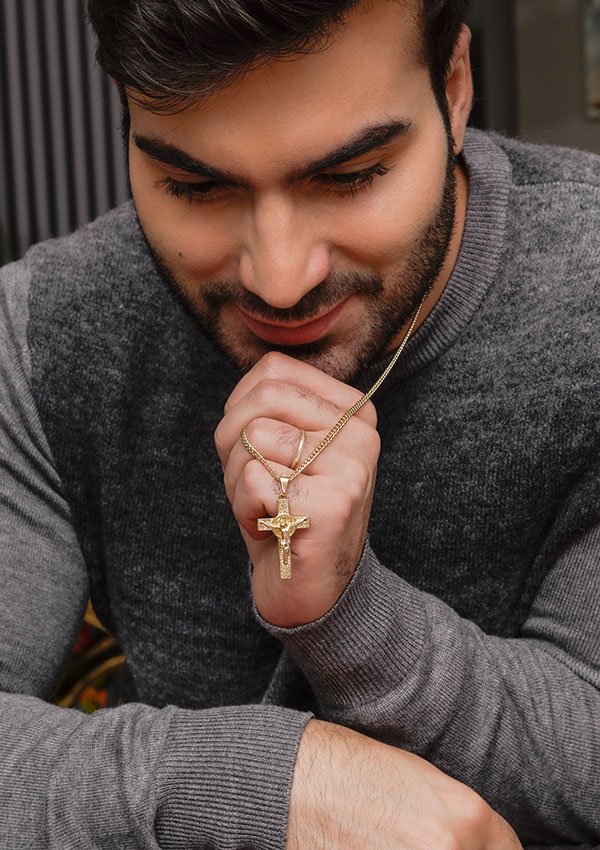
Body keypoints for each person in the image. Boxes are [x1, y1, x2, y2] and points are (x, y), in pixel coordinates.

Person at [0, 0, 598, 847]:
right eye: (195, 185)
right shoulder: (43, 334)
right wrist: (263, 786)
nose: (280, 280)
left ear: (456, 90)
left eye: (350, 176)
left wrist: (354, 620)